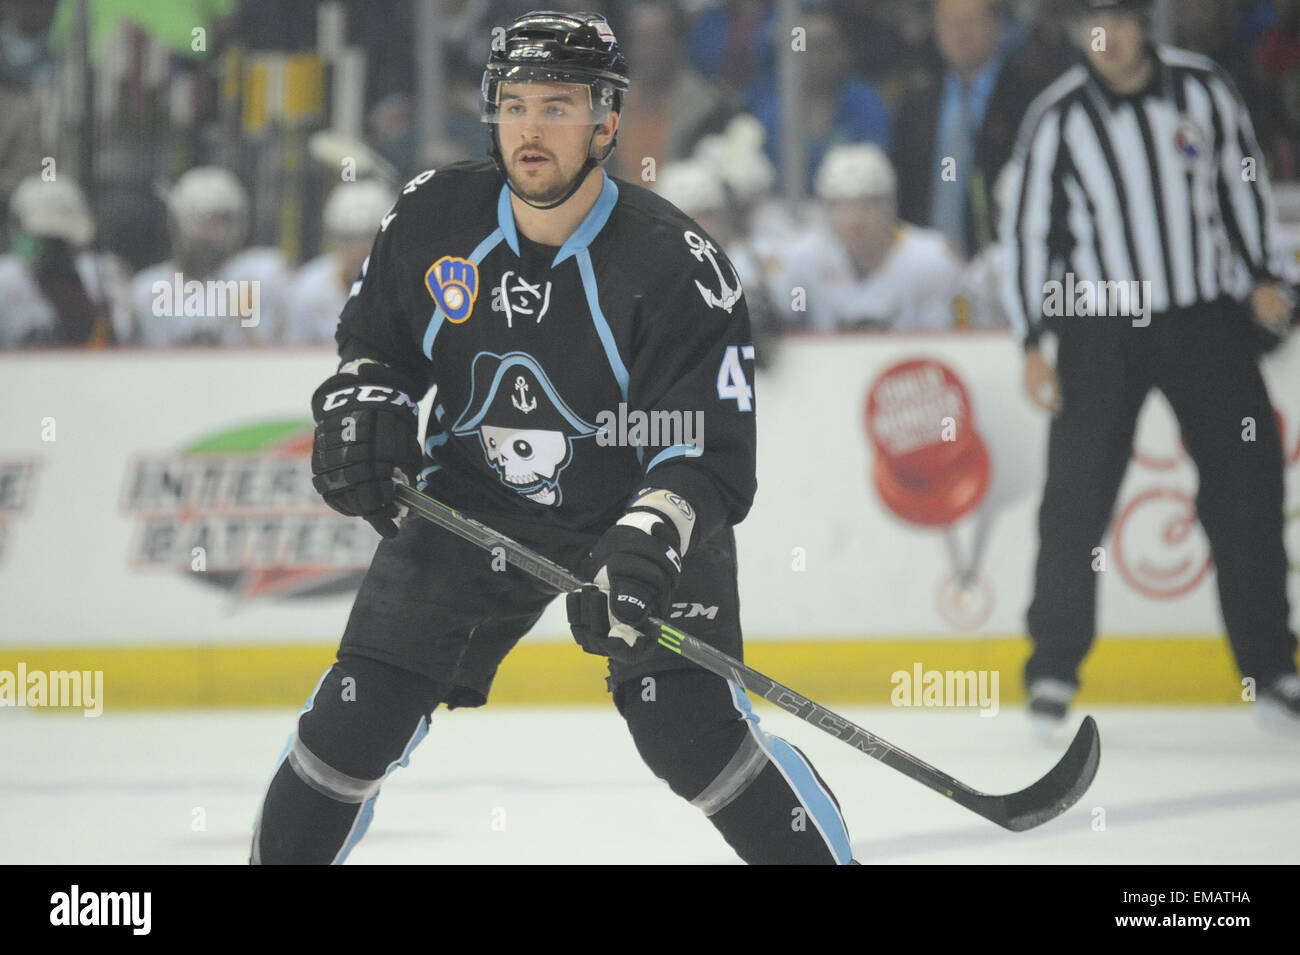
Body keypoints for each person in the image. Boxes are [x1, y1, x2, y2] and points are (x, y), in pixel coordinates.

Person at [251, 10, 856, 865]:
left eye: (559, 107)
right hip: (472, 501)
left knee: (689, 731)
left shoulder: (676, 265)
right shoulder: (433, 217)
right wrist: (365, 398)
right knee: (353, 718)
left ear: (606, 121)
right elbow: (376, 341)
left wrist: (648, 537)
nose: (531, 129)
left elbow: (705, 451)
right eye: (516, 104)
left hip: (637, 508)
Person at [1001, 0, 1299, 735]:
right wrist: (1032, 338)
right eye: (1090, 26)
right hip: (1100, 327)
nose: (1105, 39)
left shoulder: (1204, 90)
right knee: (1076, 497)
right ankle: (1053, 668)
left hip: (1204, 319)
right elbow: (1029, 230)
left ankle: (1272, 667)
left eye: (1118, 21)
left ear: (1144, 26)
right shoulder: (1060, 116)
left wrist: (1266, 272)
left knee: (1247, 487)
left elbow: (1243, 186)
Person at [769, 144, 969, 332]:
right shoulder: (800, 258)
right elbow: (776, 321)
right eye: (842, 207)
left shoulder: (932, 260)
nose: (855, 221)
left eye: (868, 206)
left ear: (889, 206)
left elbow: (952, 347)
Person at [131, 166, 289, 346]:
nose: (213, 232)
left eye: (222, 221)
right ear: (181, 222)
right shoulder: (147, 290)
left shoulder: (260, 276)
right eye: (204, 221)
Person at [0, 176, 131, 347]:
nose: (55, 249)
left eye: (61, 239)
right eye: (47, 238)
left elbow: (121, 338)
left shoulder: (102, 273)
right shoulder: (5, 277)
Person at [283, 179, 397, 345]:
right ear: (334, 240)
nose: (358, 250)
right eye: (348, 238)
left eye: (368, 238)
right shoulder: (309, 288)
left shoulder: (404, 289)